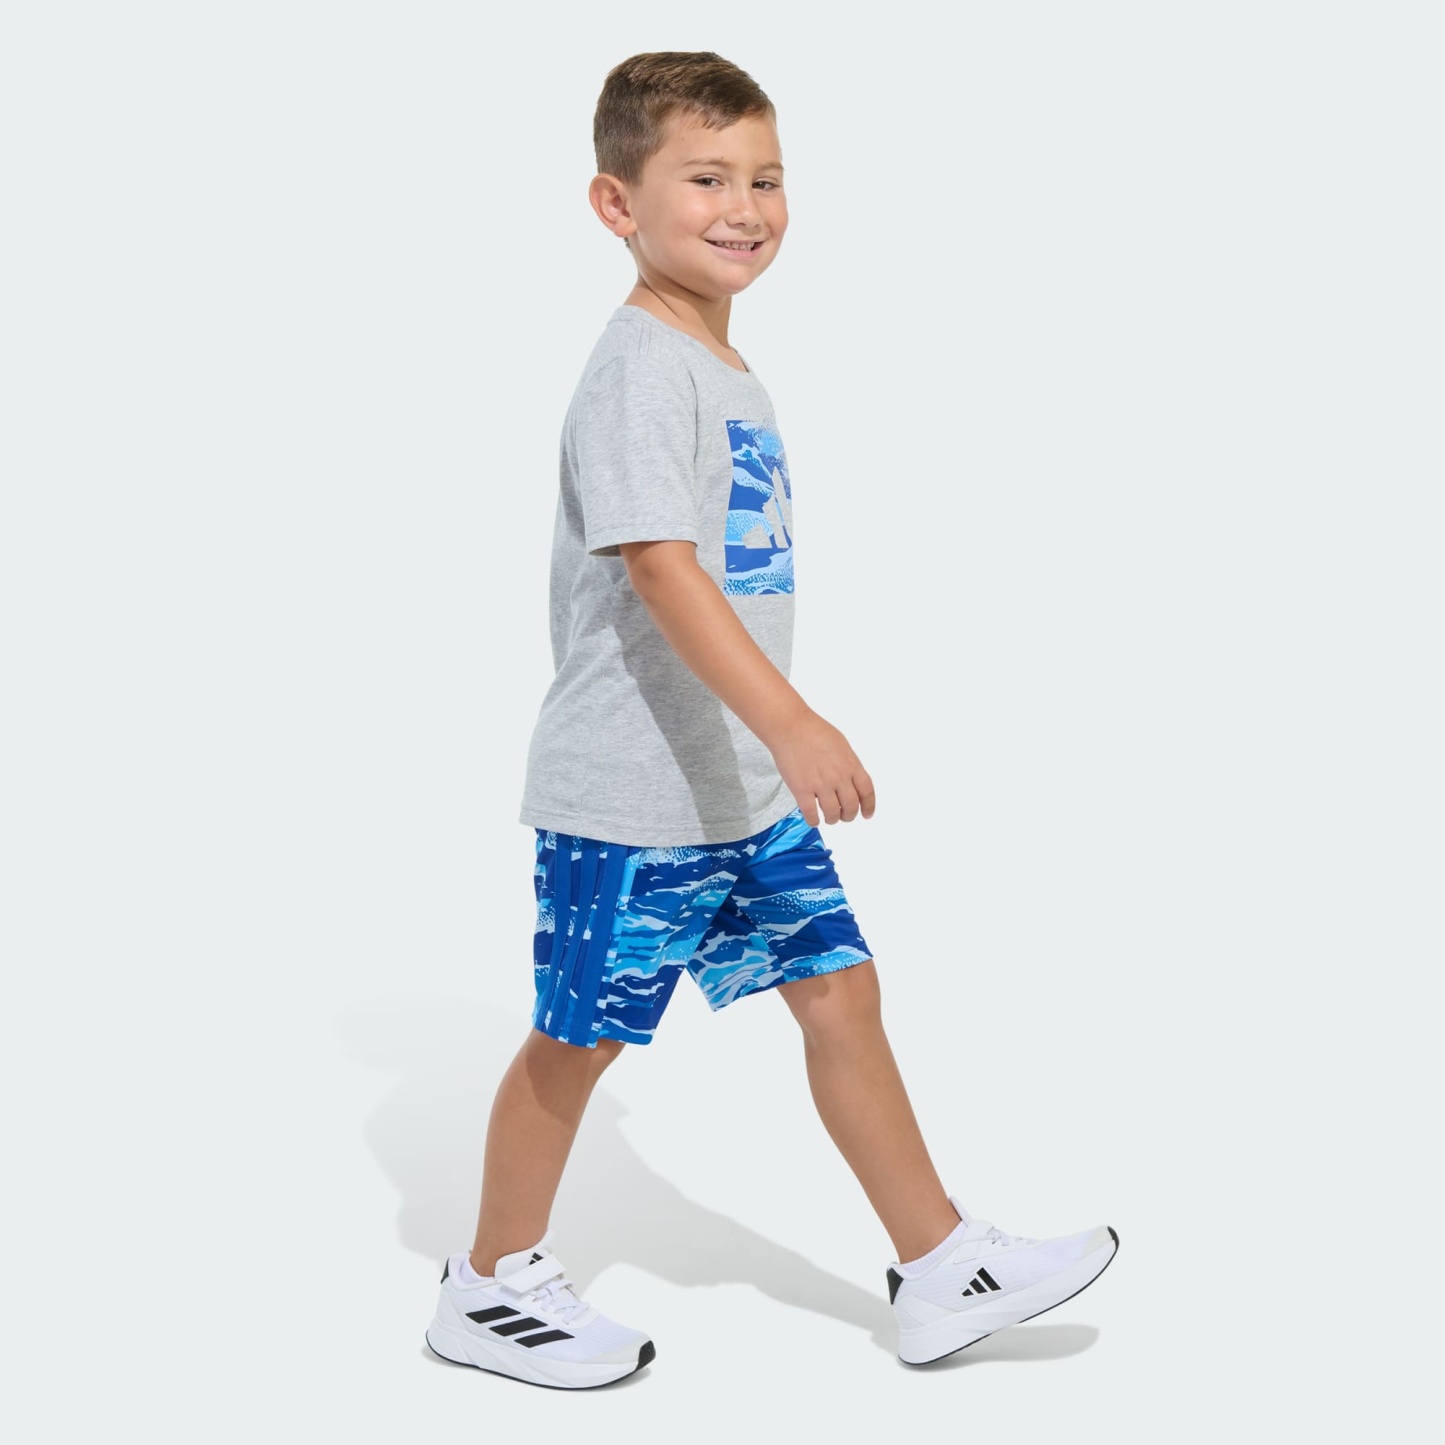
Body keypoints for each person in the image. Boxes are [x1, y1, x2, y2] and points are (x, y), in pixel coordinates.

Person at [424, 50, 1118, 1390]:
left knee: (841, 990)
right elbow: (660, 566)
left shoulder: (718, 362)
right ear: (616, 204)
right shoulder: (641, 367)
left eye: (766, 179)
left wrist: (765, 746)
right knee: (580, 1036)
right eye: (705, 179)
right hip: (632, 791)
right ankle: (488, 1284)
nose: (743, 208)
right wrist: (794, 722)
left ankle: (937, 1265)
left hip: (730, 784)